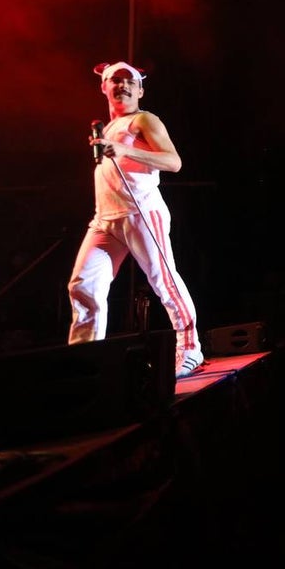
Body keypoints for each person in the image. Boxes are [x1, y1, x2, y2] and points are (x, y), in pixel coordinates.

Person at [67, 61, 204, 378]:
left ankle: (190, 349)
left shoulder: (143, 119)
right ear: (104, 86)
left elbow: (173, 162)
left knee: (164, 281)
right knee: (83, 285)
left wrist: (123, 150)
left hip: (141, 213)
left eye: (130, 81)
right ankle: (85, 362)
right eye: (115, 80)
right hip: (105, 220)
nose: (123, 85)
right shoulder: (108, 128)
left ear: (140, 90)